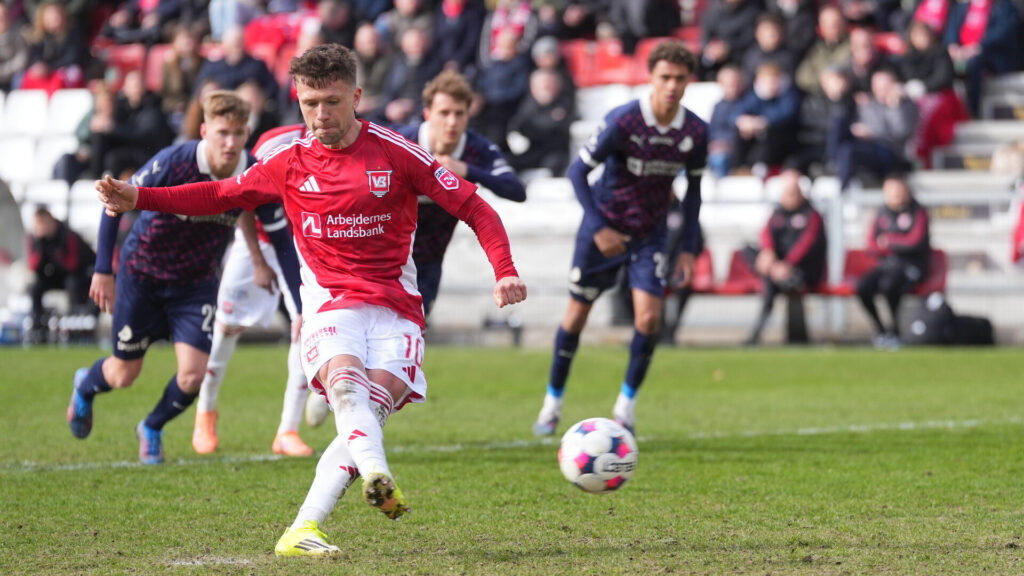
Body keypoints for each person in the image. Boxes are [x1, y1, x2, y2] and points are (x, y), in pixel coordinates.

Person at [96, 43, 527, 556]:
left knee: (367, 413)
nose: (320, 115)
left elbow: (476, 206)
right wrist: (139, 197)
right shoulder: (289, 160)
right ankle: (377, 473)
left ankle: (302, 529)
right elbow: (222, 194)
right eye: (308, 103)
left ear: (357, 97)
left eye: (331, 102)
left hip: (396, 310)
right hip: (329, 303)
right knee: (349, 392)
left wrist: (504, 271)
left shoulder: (398, 153)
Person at [66, 91, 269, 465]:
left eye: (238, 133)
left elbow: (245, 206)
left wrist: (257, 258)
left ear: (247, 134)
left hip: (196, 283)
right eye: (222, 132)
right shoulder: (175, 161)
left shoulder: (251, 169)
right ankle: (85, 384)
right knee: (124, 373)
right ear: (205, 130)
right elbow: (114, 199)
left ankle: (152, 426)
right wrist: (102, 270)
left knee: (193, 376)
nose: (230, 142)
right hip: (143, 274)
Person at [532, 40, 705, 437]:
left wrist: (690, 249)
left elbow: (694, 195)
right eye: (665, 77)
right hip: (603, 229)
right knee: (576, 317)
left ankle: (625, 407)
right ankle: (551, 403)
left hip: (650, 235)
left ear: (689, 81)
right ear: (651, 77)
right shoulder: (624, 121)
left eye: (680, 79)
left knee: (649, 317)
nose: (672, 86)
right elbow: (577, 173)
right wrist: (599, 227)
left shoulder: (695, 131)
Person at [192, 123, 314, 458]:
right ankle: (205, 412)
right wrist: (259, 261)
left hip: (307, 245)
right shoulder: (274, 143)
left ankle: (287, 430)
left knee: (306, 328)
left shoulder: (350, 141)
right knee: (227, 328)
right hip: (256, 243)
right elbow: (243, 200)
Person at [396, 70, 526, 318]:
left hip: (429, 261)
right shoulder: (402, 141)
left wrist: (466, 169)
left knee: (412, 337)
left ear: (469, 114)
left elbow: (516, 189)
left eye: (459, 113)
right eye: (444, 113)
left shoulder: (477, 149)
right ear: (427, 114)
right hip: (385, 257)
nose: (452, 122)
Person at [744, 170, 827, 345]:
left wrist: (786, 264)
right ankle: (758, 335)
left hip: (805, 271)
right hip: (778, 270)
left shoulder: (812, 215)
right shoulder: (777, 213)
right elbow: (766, 234)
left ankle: (767, 336)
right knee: (748, 251)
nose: (789, 197)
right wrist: (770, 256)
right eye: (786, 193)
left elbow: (806, 245)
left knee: (779, 281)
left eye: (793, 193)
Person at [856, 176, 930, 349]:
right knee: (863, 287)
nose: (895, 195)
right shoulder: (881, 213)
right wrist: (893, 245)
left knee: (891, 285)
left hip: (911, 267)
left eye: (898, 191)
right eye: (891, 192)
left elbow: (915, 241)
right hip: (886, 266)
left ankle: (895, 331)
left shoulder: (917, 212)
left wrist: (890, 241)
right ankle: (881, 330)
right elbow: (871, 244)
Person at [25, 206, 97, 343]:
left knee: (73, 284)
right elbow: (33, 266)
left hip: (75, 275)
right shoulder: (34, 239)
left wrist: (54, 253)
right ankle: (38, 325)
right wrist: (41, 248)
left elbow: (73, 264)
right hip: (52, 275)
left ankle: (74, 325)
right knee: (35, 287)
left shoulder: (67, 235)